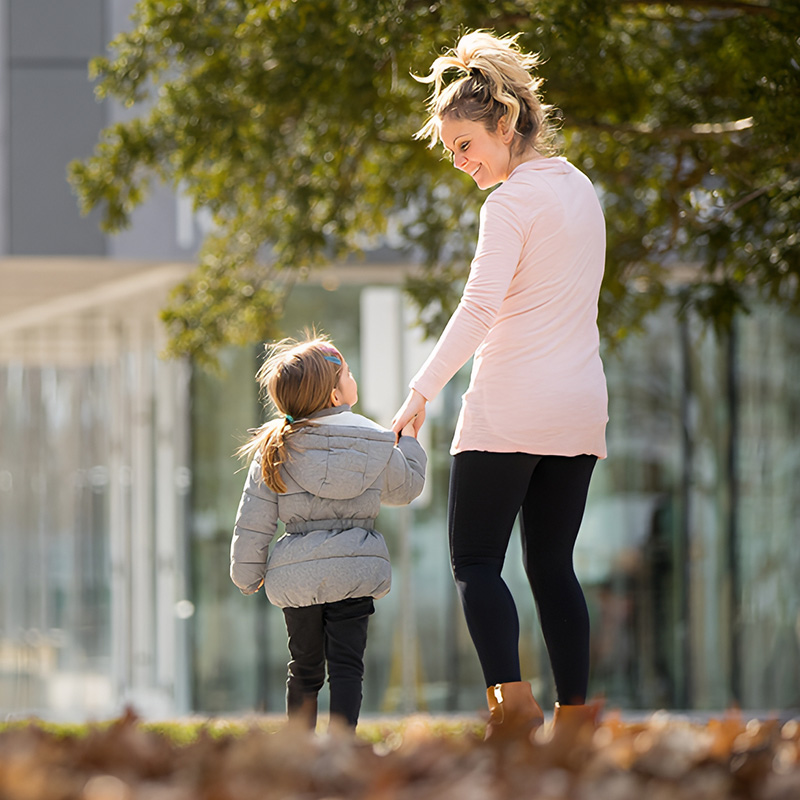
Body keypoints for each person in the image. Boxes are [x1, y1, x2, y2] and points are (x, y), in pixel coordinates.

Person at [392, 30, 608, 740]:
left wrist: (421, 389)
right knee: (552, 566)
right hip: (579, 412)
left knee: (476, 562)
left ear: (506, 125)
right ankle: (574, 723)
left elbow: (479, 307)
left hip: (511, 407)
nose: (461, 163)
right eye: (452, 151)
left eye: (465, 146)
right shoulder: (580, 189)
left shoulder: (509, 204)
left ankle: (514, 718)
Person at [231, 335, 426, 731]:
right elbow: (406, 488)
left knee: (303, 666)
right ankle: (341, 746)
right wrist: (411, 443)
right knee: (347, 666)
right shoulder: (374, 441)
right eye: (348, 373)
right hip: (354, 572)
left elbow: (255, 519)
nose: (353, 377)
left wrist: (247, 574)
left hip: (297, 578)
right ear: (336, 396)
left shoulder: (276, 447)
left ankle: (298, 747)